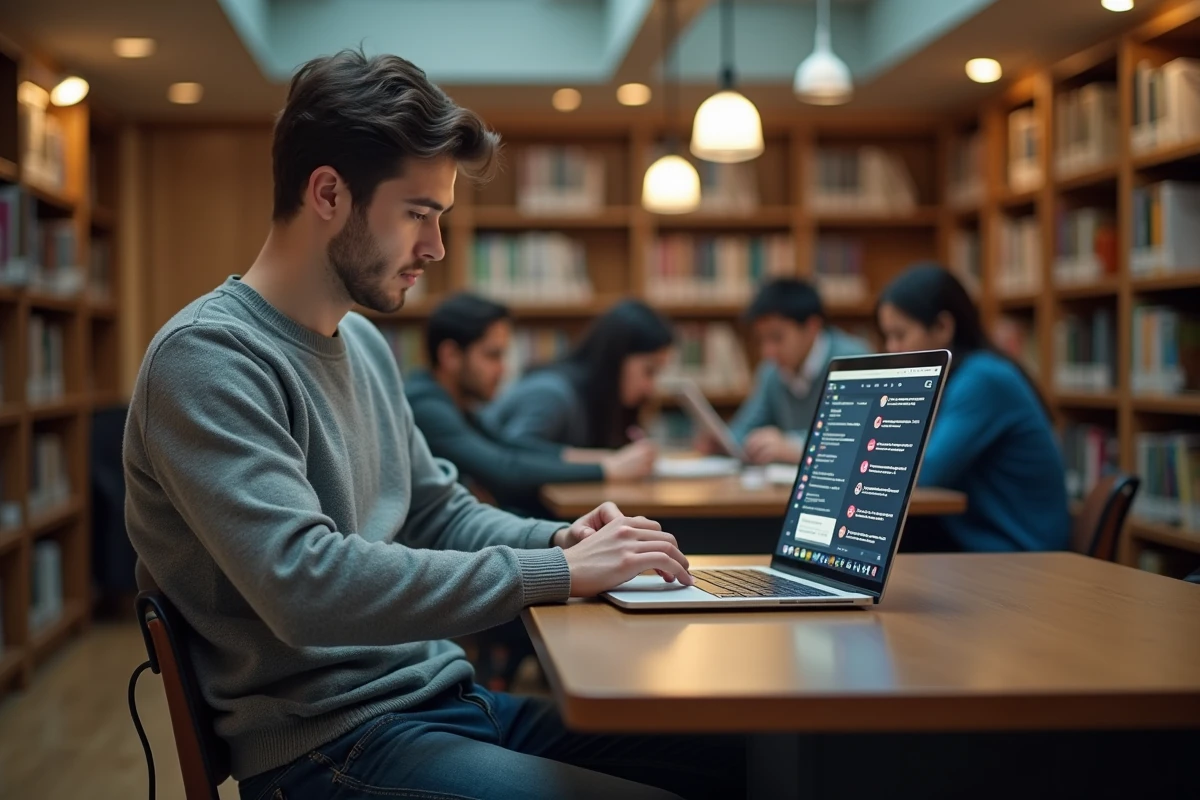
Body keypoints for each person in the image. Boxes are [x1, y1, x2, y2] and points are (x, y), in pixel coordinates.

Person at [123, 49, 743, 800]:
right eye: (418, 214)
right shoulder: (207, 359)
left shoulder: (363, 345)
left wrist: (560, 541)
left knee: (747, 753)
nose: (436, 249)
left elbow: (435, 509)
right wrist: (559, 575)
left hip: (442, 700)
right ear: (328, 193)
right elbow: (303, 585)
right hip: (330, 747)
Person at [876, 262, 1070, 553]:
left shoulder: (981, 380)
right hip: (975, 538)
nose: (891, 349)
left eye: (900, 335)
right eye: (886, 337)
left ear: (943, 327)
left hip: (1019, 550)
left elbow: (924, 472)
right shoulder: (953, 378)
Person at [407, 293, 656, 516]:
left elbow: (511, 447)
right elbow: (504, 470)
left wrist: (604, 459)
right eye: (492, 355)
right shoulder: (426, 406)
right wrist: (607, 469)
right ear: (451, 355)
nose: (502, 369)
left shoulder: (451, 401)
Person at [703, 278, 870, 464]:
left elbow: (851, 436)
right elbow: (746, 426)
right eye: (761, 340)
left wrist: (793, 446)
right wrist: (726, 443)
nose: (767, 352)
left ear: (812, 327)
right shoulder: (771, 372)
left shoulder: (852, 361)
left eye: (777, 338)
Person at [482, 298, 675, 451]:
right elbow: (514, 459)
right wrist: (605, 463)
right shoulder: (552, 394)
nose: (650, 388)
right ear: (616, 358)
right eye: (649, 371)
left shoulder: (598, 404)